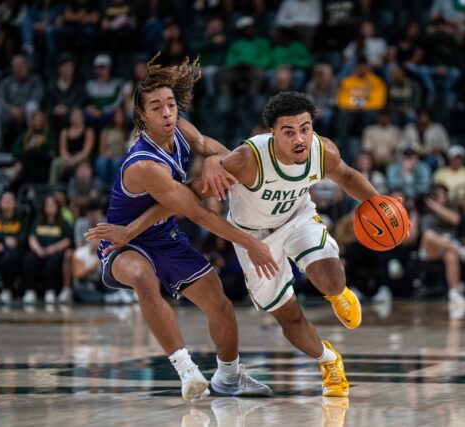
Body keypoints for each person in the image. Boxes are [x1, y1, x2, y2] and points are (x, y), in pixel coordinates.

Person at [91, 92, 386, 398]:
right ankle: (329, 360)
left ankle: (337, 293)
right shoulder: (248, 160)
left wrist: (382, 204)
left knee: (327, 275)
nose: (300, 138)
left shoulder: (322, 151)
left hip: (298, 219)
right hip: (252, 235)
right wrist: (132, 229)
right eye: (289, 132)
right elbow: (186, 200)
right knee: (290, 317)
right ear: (271, 133)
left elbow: (349, 177)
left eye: (305, 128)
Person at [84, 57, 278, 401]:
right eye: (157, 107)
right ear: (142, 115)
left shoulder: (183, 131)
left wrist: (217, 161)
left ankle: (230, 378)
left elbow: (219, 151)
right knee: (143, 277)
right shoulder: (144, 164)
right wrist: (252, 243)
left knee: (220, 304)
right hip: (123, 242)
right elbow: (197, 213)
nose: (167, 113)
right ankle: (187, 371)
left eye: (171, 105)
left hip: (164, 235)